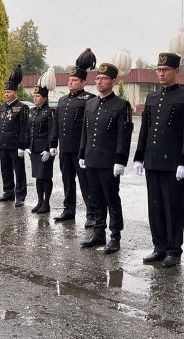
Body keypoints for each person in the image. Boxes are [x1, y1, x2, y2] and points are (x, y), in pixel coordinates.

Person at [134, 52, 184, 267]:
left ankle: (174, 249)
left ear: (176, 71)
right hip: (153, 161)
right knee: (155, 206)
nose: (161, 74)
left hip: (173, 163)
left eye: (166, 70)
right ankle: (159, 247)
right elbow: (145, 128)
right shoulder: (152, 98)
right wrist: (138, 156)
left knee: (173, 207)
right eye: (159, 70)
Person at [79, 53, 133, 254]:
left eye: (103, 79)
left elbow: (123, 135)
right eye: (97, 78)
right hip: (92, 159)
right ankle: (98, 233)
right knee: (95, 199)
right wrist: (82, 154)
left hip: (109, 162)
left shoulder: (121, 105)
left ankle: (115, 236)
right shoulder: (90, 104)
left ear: (113, 81)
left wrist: (120, 160)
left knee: (112, 199)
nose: (99, 81)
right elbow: (85, 131)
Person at [50, 48, 96, 225]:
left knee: (86, 183)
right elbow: (57, 124)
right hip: (65, 149)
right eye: (69, 80)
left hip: (80, 150)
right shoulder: (62, 101)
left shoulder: (90, 99)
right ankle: (69, 210)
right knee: (67, 181)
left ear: (83, 82)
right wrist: (53, 143)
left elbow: (90, 127)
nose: (70, 82)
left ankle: (91, 214)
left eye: (74, 80)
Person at [0, 65, 28, 207]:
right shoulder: (1, 107)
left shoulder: (22, 107)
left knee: (19, 171)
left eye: (9, 92)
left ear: (15, 92)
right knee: (5, 170)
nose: (6, 94)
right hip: (3, 143)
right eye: (5, 92)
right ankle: (8, 192)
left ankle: (20, 195)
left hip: (15, 145)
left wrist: (22, 145)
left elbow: (24, 128)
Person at [26, 68, 56, 214]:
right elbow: (28, 129)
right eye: (34, 95)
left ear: (44, 98)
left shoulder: (50, 112)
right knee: (38, 177)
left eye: (38, 96)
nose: (35, 98)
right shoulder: (32, 111)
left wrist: (49, 148)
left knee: (46, 177)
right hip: (34, 149)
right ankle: (39, 201)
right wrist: (26, 146)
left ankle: (46, 203)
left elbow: (51, 132)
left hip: (45, 150)